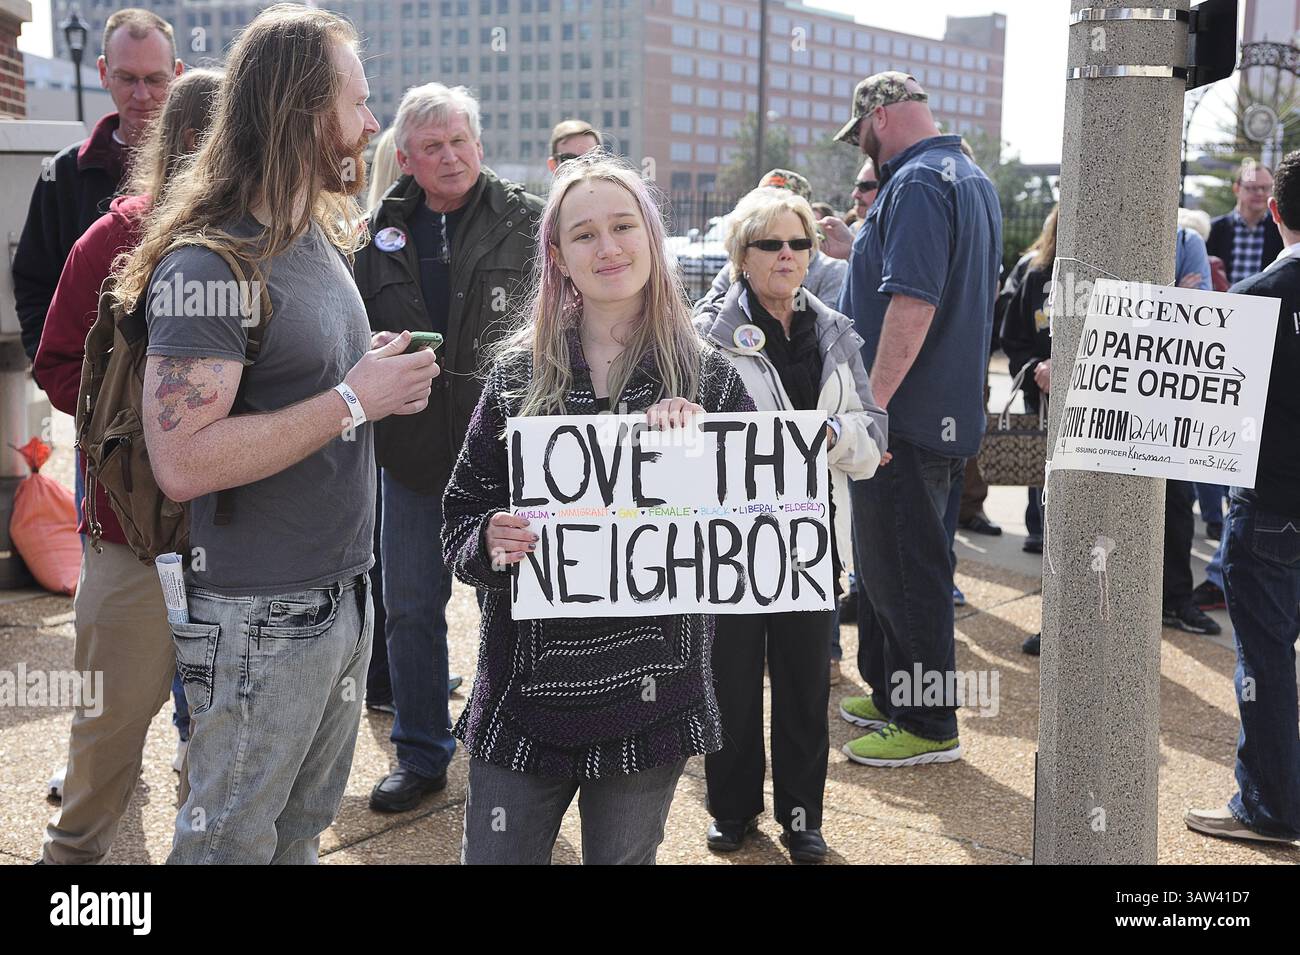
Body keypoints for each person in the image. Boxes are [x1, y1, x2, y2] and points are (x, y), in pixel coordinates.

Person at [115, 4, 439, 864]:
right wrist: (350, 399)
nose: (372, 123)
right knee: (227, 844)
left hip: (339, 596)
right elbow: (182, 459)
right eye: (359, 103)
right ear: (301, 111)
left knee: (294, 838)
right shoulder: (209, 263)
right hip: (262, 615)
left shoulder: (309, 240)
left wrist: (364, 372)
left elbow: (296, 379)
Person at [443, 153, 754, 864]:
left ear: (651, 234)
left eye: (623, 225)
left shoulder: (711, 378)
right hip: (525, 696)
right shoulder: (516, 376)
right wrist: (488, 539)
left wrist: (699, 458)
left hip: (654, 695)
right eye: (584, 234)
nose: (608, 247)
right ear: (557, 255)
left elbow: (748, 537)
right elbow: (462, 509)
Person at [31, 68, 222, 865]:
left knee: (221, 743)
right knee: (105, 732)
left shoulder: (274, 236)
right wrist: (131, 428)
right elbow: (56, 360)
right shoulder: (116, 237)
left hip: (246, 543)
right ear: (194, 141)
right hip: (133, 535)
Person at [355, 83, 543, 814]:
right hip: (408, 451)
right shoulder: (373, 231)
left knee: (521, 603)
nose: (449, 155)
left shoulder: (528, 221)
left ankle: (519, 740)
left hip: (506, 452)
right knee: (408, 608)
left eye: (459, 140)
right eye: (432, 146)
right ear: (405, 157)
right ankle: (422, 750)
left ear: (480, 145)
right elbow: (346, 326)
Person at [695, 186, 886, 863]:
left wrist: (832, 433)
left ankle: (803, 817)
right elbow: (682, 439)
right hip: (733, 541)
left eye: (798, 243)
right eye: (769, 243)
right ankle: (732, 810)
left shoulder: (835, 330)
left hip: (810, 541)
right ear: (740, 255)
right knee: (732, 682)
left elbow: (873, 438)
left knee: (806, 686)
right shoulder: (705, 334)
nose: (786, 255)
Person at [832, 72, 1001, 767]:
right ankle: (904, 695)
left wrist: (871, 407)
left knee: (908, 570)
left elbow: (913, 303)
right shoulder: (968, 177)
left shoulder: (918, 181)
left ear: (880, 114)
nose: (862, 150)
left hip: (904, 417)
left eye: (862, 133)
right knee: (900, 564)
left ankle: (930, 722)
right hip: (938, 413)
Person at [1186, 147, 1300, 846]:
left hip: (1272, 506)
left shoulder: (1257, 297)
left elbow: (1218, 419)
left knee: (1265, 659)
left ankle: (1267, 804)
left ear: (1277, 210)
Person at [16, 8, 183, 364]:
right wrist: (74, 387)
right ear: (104, 73)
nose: (141, 94)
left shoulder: (205, 171)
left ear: (178, 75)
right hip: (97, 401)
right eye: (127, 78)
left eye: (155, 79)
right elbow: (34, 282)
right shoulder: (63, 174)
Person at [1001, 206, 1057, 656]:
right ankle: (1053, 622)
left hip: (1098, 424)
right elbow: (1012, 336)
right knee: (1049, 505)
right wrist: (1036, 367)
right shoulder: (1033, 272)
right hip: (1042, 406)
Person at [691, 168, 847, 318]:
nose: (786, 254)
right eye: (769, 245)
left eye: (784, 207)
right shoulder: (739, 267)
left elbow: (832, 333)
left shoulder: (831, 271)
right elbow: (704, 314)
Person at [1206, 161, 1282, 288]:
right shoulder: (1214, 230)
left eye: (1266, 188)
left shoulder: (1280, 230)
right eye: (1252, 188)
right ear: (1236, 189)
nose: (1259, 193)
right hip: (1223, 305)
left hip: (1265, 305)